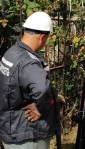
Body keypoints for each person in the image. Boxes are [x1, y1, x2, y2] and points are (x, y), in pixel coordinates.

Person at [0, 11, 61, 149]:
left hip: (11, 128)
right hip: (28, 134)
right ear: (42, 37)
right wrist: (41, 107)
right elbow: (42, 88)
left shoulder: (11, 53)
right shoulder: (28, 62)